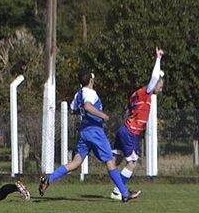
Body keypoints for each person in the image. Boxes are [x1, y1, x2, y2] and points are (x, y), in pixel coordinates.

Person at [38, 69, 141, 202]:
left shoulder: (78, 94)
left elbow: (73, 110)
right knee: (110, 161)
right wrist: (102, 115)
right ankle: (124, 193)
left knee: (75, 163)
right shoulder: (90, 93)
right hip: (95, 132)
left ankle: (49, 179)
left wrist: (84, 113)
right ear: (91, 80)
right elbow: (87, 106)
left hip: (84, 131)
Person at [110, 47, 164, 200]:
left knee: (116, 160)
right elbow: (154, 78)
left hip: (124, 129)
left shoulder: (135, 95)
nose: (161, 88)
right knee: (132, 162)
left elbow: (128, 112)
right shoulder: (144, 93)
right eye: (160, 85)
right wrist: (158, 58)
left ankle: (118, 186)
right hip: (130, 131)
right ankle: (117, 190)